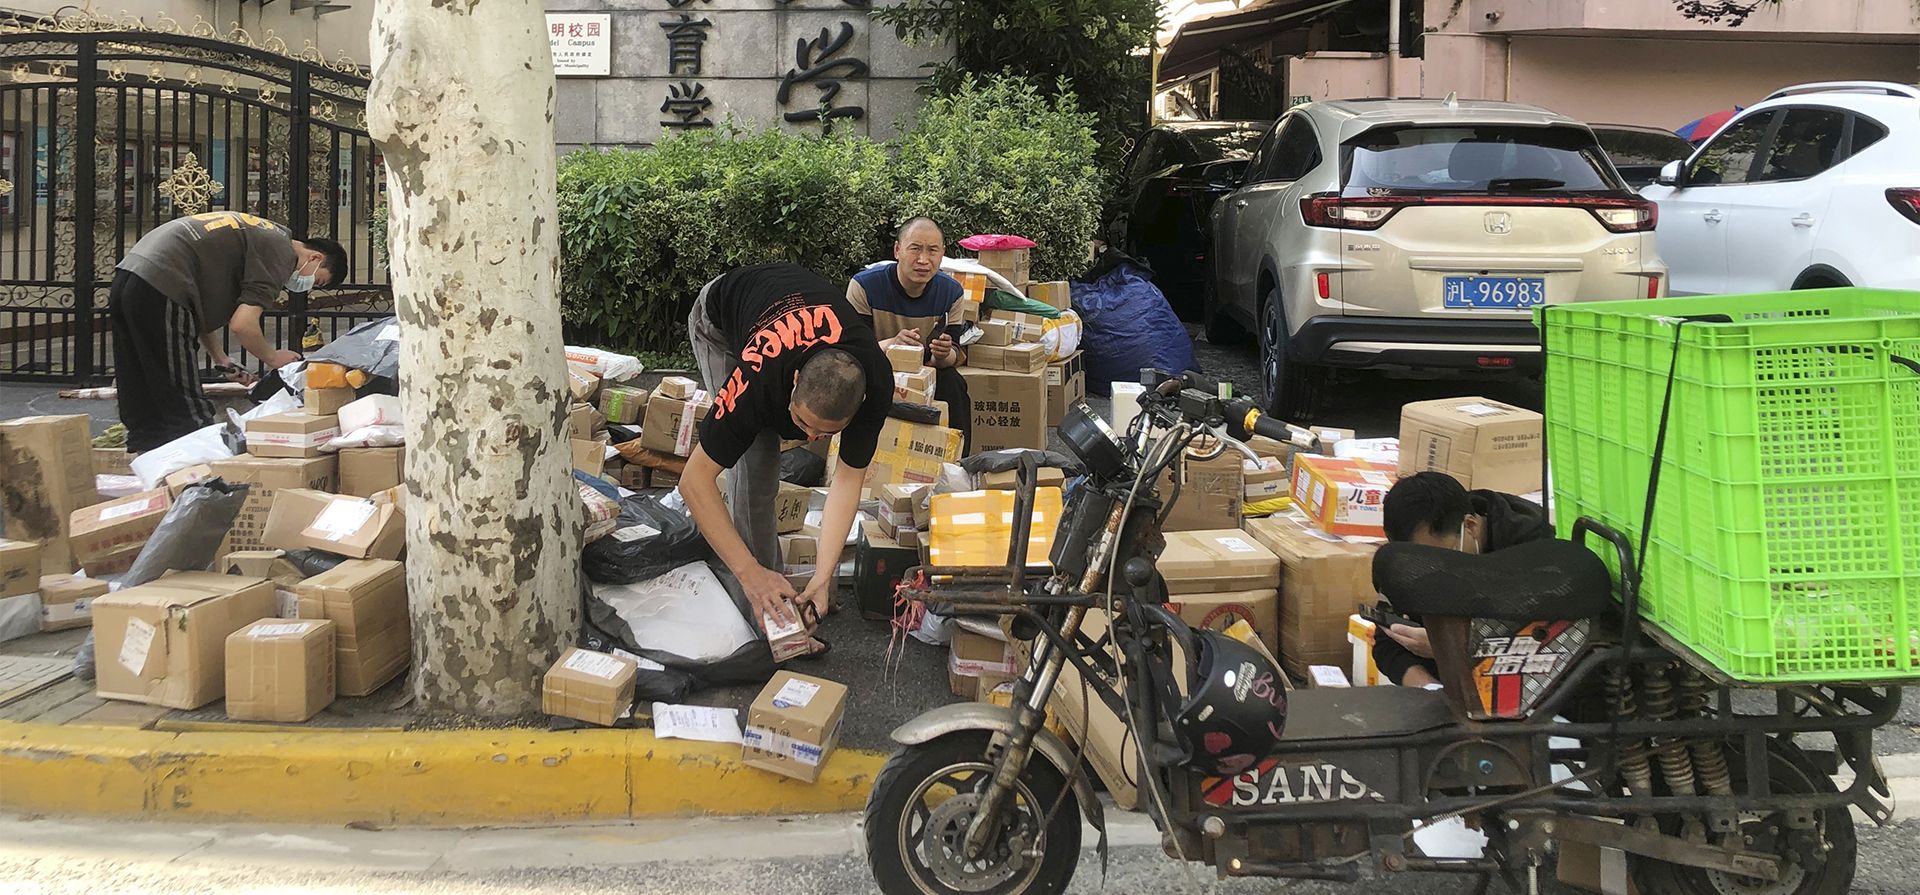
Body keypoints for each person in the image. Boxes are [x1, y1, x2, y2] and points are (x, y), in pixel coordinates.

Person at [685, 262, 894, 645]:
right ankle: (767, 616)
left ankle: (781, 603)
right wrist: (752, 573)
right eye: (801, 420)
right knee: (756, 469)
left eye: (824, 432)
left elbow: (847, 478)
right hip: (719, 321)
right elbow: (694, 481)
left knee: (767, 462)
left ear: (860, 403)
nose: (808, 435)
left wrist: (822, 576)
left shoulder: (876, 380)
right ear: (795, 381)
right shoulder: (756, 378)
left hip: (780, 311)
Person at [111, 211, 348, 452]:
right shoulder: (281, 253)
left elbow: (199, 313)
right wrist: (273, 357)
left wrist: (222, 360)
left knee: (138, 384)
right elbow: (243, 324)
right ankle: (199, 474)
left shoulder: (264, 234)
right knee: (182, 401)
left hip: (131, 274)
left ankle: (145, 462)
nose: (306, 287)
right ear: (315, 257)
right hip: (165, 282)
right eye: (317, 281)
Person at [1374, 471, 1555, 688]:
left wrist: (1453, 648)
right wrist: (1430, 688)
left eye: (1437, 559)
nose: (1430, 571)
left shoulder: (1534, 551)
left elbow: (1546, 648)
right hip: (1449, 690)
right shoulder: (1412, 561)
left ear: (1470, 526)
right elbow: (1386, 645)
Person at [847, 217, 972, 451]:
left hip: (925, 372)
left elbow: (953, 354)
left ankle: (959, 462)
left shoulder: (951, 292)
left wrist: (943, 354)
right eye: (915, 249)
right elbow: (852, 350)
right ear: (897, 250)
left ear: (942, 253)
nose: (923, 260)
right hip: (875, 367)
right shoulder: (864, 286)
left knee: (954, 384)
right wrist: (892, 344)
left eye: (932, 251)